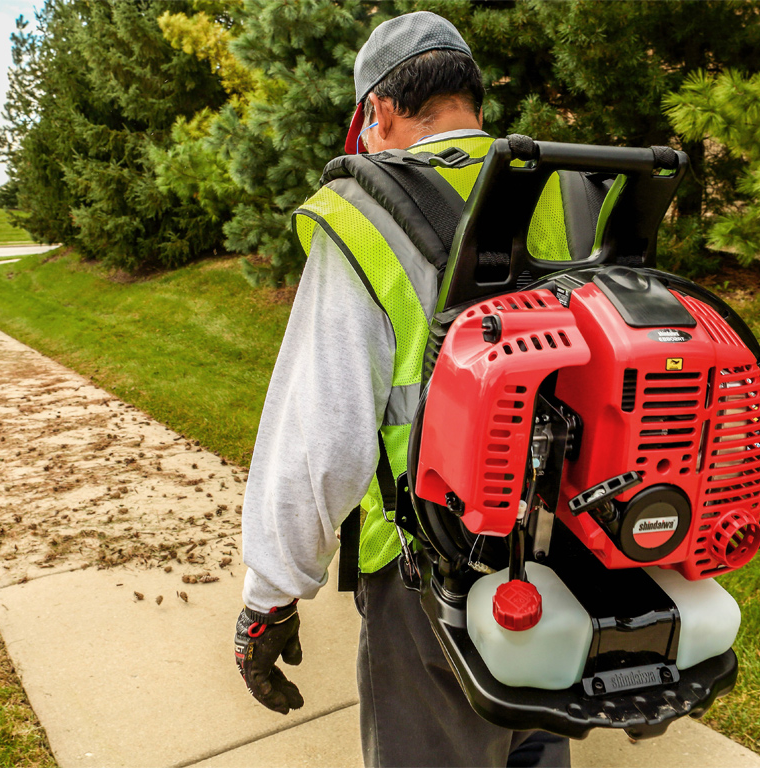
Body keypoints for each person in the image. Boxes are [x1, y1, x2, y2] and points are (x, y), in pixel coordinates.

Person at [234, 11, 571, 768]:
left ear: (380, 111)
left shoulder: (366, 208)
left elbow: (323, 432)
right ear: (470, 99)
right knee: (537, 741)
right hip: (569, 546)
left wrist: (269, 598)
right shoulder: (571, 187)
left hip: (430, 564)